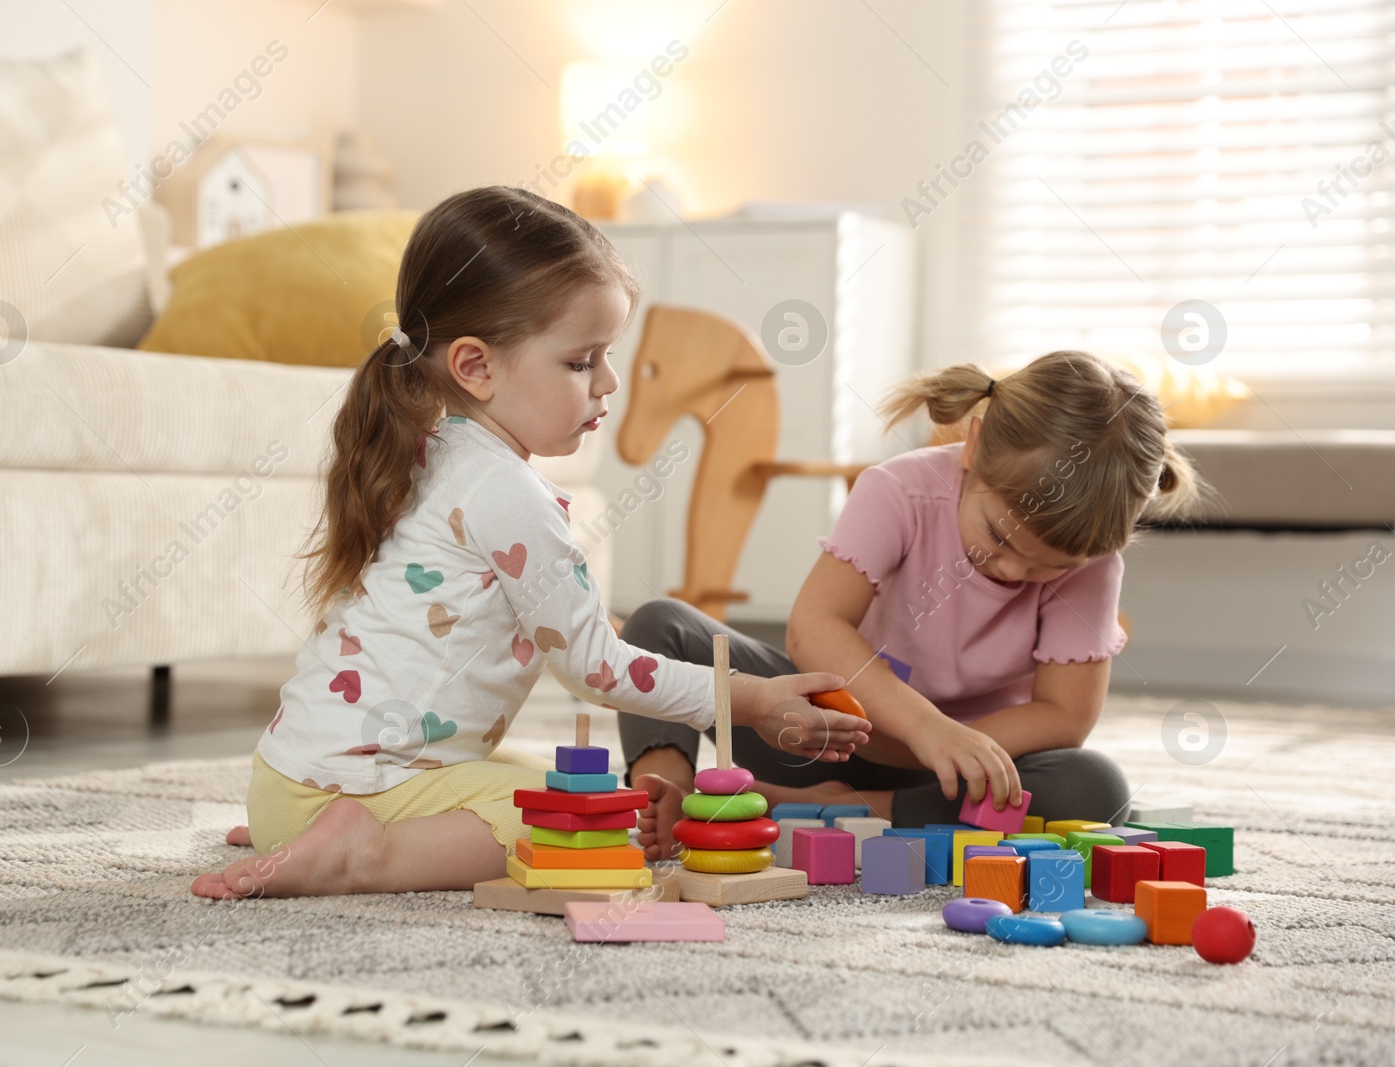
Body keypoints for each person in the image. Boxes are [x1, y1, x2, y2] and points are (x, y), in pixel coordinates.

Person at [190, 186, 866, 900]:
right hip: (355, 786)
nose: (608, 383)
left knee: (573, 783)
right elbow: (594, 670)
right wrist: (752, 700)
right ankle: (359, 853)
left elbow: (569, 630)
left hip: (286, 779)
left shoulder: (427, 450)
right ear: (475, 366)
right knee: (586, 829)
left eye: (607, 357)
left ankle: (304, 829)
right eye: (581, 362)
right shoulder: (507, 494)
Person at [618, 351, 1204, 859]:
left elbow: (1065, 715)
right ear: (973, 445)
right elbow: (815, 627)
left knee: (1094, 788)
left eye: (1051, 566)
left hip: (953, 771)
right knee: (659, 627)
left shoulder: (1094, 561)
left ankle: (853, 810)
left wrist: (948, 742)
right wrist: (919, 726)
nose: (1015, 571)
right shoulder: (900, 490)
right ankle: (672, 789)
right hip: (830, 730)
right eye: (999, 537)